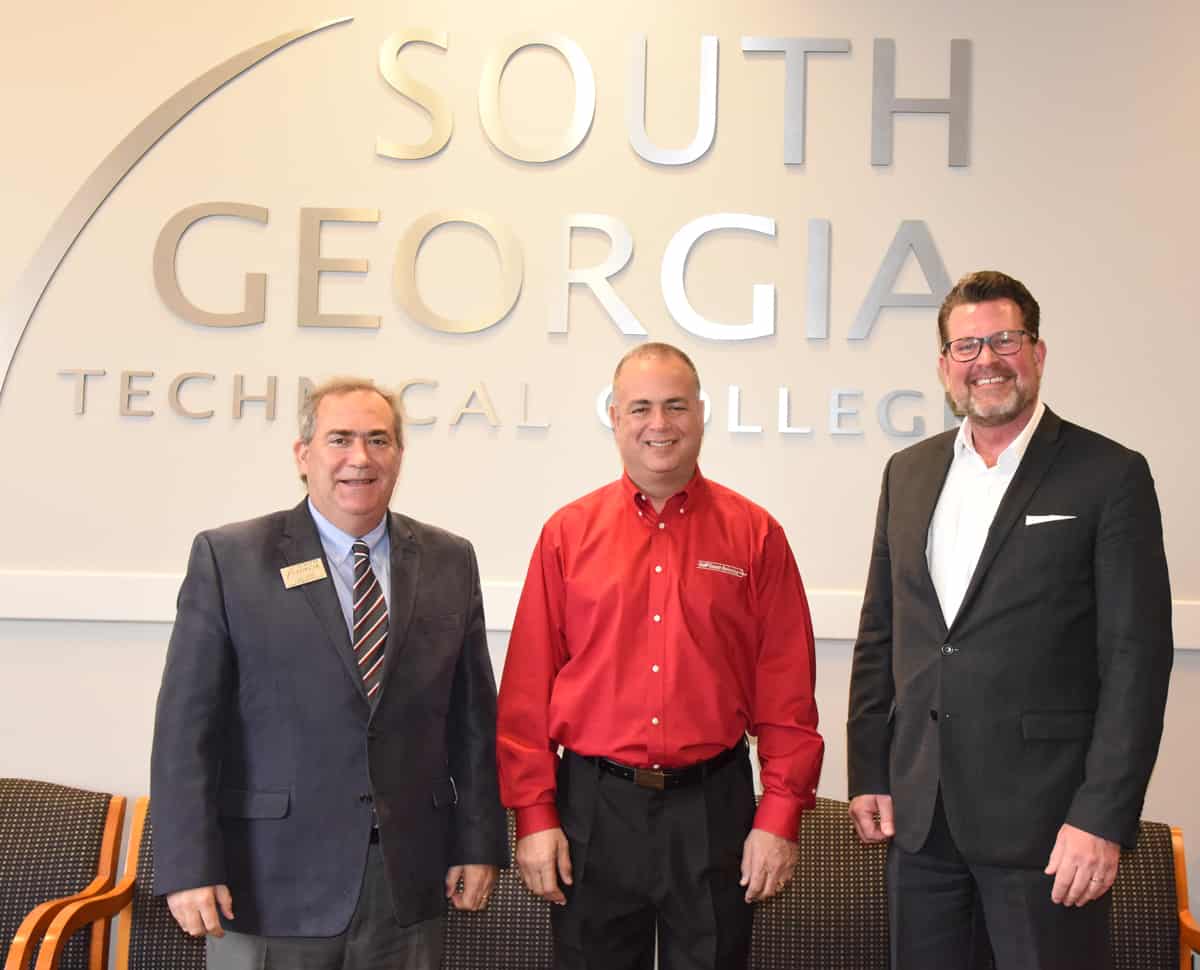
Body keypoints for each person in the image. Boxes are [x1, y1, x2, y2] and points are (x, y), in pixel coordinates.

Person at [846, 270, 1174, 969]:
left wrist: (1101, 816)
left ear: (1038, 352)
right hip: (922, 823)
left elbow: (1136, 660)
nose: (986, 360)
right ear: (944, 365)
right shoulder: (908, 472)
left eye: (1004, 340)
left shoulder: (1109, 474)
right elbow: (882, 631)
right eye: (966, 346)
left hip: (1049, 831)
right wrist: (870, 768)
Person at [151, 377, 507, 970]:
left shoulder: (450, 559)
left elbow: (473, 721)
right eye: (340, 439)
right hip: (267, 882)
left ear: (399, 454)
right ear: (303, 454)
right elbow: (185, 730)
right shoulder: (231, 558)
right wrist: (188, 867)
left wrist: (478, 841)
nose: (360, 458)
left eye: (378, 440)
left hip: (407, 885)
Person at [497, 342, 824, 970]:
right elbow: (527, 691)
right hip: (593, 809)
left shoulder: (756, 534)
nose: (659, 423)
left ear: (700, 414)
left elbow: (786, 691)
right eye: (641, 407)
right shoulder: (567, 534)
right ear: (615, 417)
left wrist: (780, 815)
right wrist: (533, 815)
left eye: (675, 406)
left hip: (713, 808)